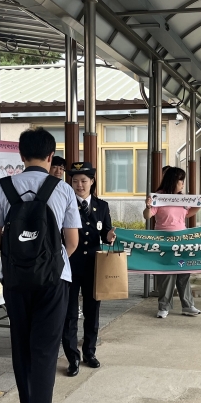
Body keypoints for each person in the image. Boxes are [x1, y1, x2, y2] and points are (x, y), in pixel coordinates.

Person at [0, 128, 80, 403]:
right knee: (45, 347)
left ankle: (28, 402)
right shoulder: (63, 190)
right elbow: (72, 241)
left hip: (14, 279)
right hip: (54, 281)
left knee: (21, 339)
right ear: (51, 156)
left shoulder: (3, 187)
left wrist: (20, 258)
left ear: (21, 156)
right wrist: (48, 261)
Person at [61, 162, 116, 377]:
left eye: (83, 181)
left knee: (93, 311)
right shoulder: (65, 204)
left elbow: (105, 235)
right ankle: (72, 358)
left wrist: (110, 237)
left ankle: (90, 353)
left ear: (92, 181)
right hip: (70, 266)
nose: (79, 185)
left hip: (94, 266)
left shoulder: (101, 206)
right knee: (70, 314)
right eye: (75, 181)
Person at [144, 166, 201, 319]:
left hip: (181, 240)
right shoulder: (159, 197)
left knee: (183, 272)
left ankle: (187, 305)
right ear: (173, 181)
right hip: (164, 241)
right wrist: (148, 206)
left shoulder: (182, 199)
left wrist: (199, 205)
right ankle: (164, 306)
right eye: (181, 180)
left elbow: (188, 213)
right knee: (167, 274)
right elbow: (147, 216)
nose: (183, 184)